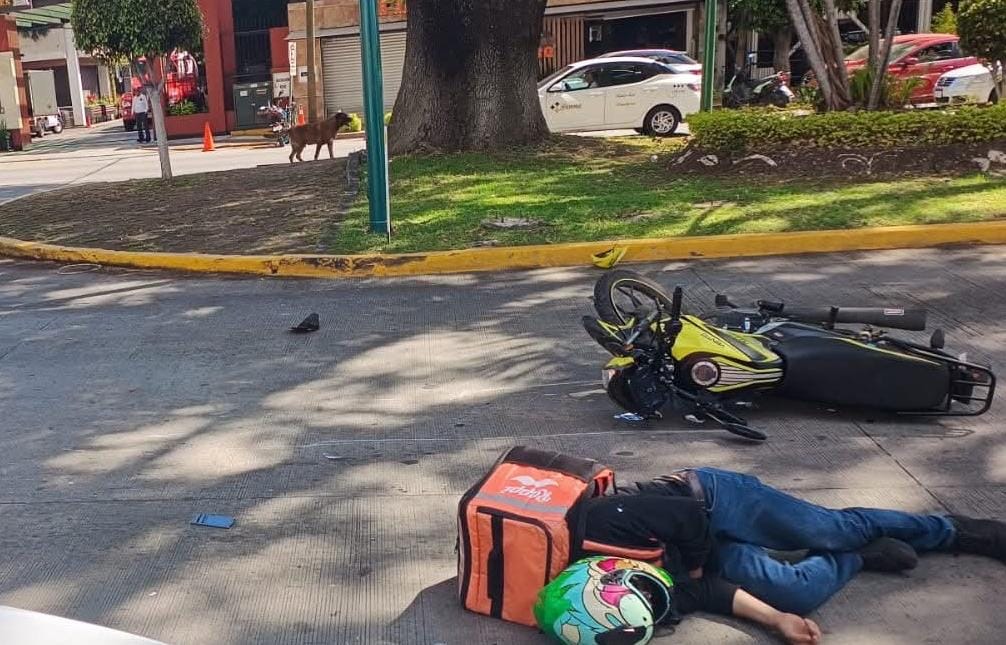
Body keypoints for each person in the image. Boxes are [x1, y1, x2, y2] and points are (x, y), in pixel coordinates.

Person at [582, 467, 1006, 640]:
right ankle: (863, 557)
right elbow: (704, 592)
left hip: (706, 500)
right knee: (793, 595)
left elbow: (686, 518)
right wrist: (776, 619)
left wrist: (691, 566)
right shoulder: (619, 607)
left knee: (834, 529)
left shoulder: (594, 523)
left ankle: (957, 531)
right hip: (696, 548)